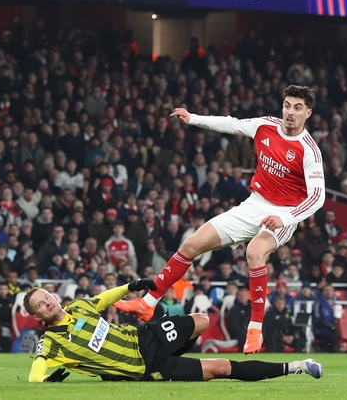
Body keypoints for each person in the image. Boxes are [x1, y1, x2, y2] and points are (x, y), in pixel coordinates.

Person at [116, 85, 325, 354]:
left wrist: (286, 217)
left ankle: (255, 329)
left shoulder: (309, 151)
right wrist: (193, 118)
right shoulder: (265, 126)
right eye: (287, 105)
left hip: (283, 213)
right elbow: (232, 125)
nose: (290, 112)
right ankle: (148, 302)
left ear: (308, 113)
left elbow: (317, 197)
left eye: (297, 108)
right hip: (254, 205)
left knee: (254, 251)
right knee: (191, 244)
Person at [23, 279, 322, 383]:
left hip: (145, 336)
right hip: (148, 366)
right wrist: (47, 381)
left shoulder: (77, 306)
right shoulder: (52, 342)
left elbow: (102, 299)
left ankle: (175, 347)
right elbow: (35, 374)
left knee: (202, 320)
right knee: (221, 368)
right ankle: (297, 367)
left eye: (46, 296)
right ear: (37, 316)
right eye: (40, 304)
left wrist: (130, 287)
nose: (47, 302)